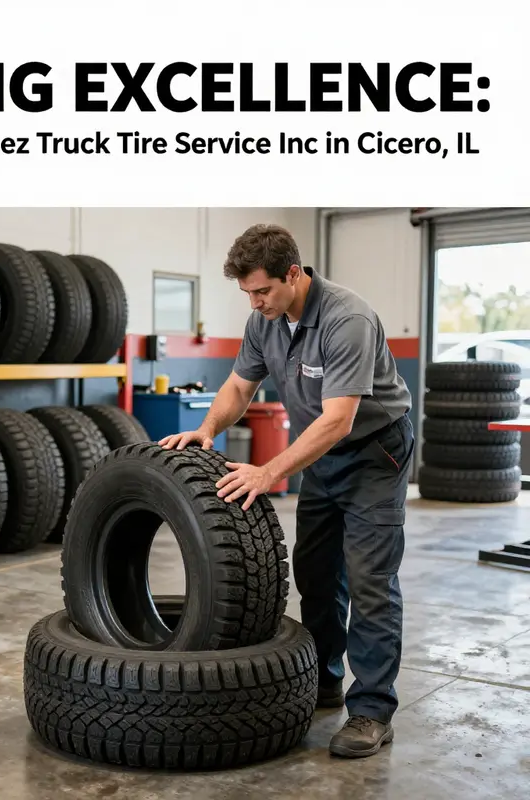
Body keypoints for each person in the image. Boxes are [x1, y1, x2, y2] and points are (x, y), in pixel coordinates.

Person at [159, 223, 413, 759]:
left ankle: (370, 711)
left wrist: (268, 471)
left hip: (373, 452)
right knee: (317, 574)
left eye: (262, 291)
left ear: (293, 274)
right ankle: (324, 680)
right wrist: (208, 430)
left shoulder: (347, 319)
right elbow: (238, 386)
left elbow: (339, 421)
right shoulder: (263, 321)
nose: (254, 302)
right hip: (321, 453)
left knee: (370, 579)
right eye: (247, 293)